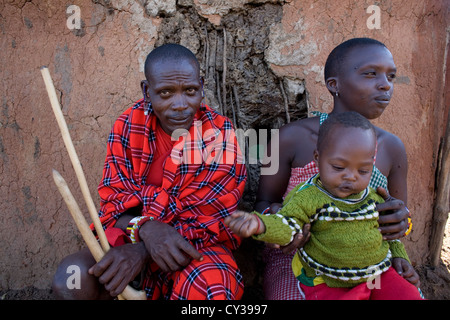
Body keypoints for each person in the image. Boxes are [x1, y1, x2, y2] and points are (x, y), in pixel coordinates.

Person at [52, 43, 247, 300]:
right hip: (128, 237)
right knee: (72, 279)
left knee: (212, 286)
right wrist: (144, 230)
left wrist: (145, 250)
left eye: (190, 91)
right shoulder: (129, 126)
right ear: (147, 91)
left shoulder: (220, 136)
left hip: (193, 246)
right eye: (165, 93)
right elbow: (113, 207)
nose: (180, 104)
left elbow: (214, 219)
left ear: (201, 86)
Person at [255, 38, 416, 300]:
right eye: (370, 73)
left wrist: (401, 223)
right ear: (334, 84)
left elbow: (400, 221)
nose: (385, 84)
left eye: (391, 76)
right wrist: (277, 221)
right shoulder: (292, 138)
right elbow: (263, 201)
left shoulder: (391, 148)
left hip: (369, 266)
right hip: (298, 262)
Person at [226, 111, 423, 300]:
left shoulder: (374, 197)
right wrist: (261, 224)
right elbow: (287, 224)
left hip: (378, 275)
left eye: (363, 170)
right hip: (328, 280)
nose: (351, 176)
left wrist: (401, 257)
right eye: (338, 167)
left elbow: (390, 237)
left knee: (408, 294)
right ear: (318, 158)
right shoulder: (309, 197)